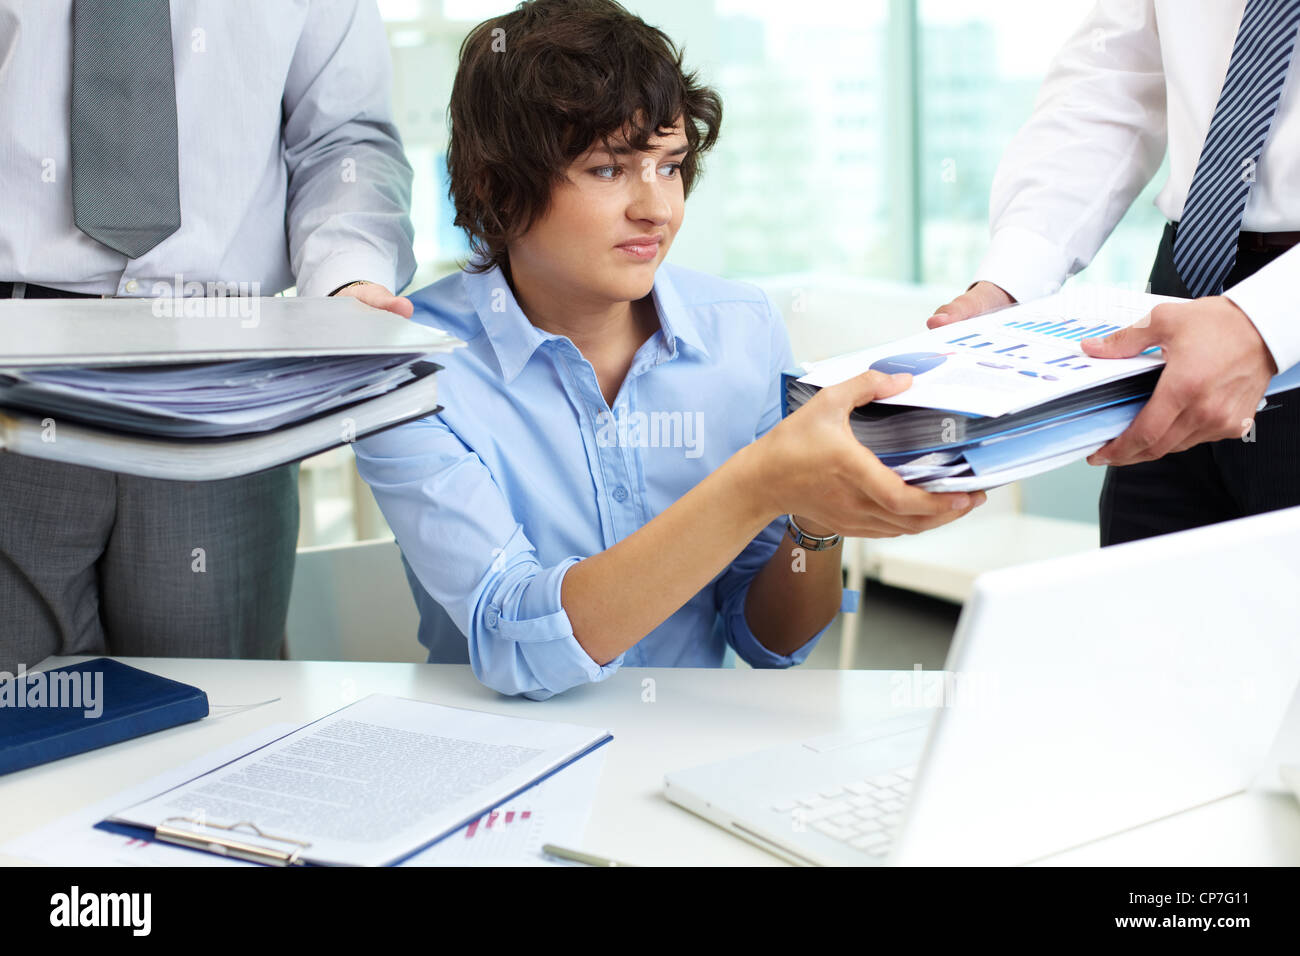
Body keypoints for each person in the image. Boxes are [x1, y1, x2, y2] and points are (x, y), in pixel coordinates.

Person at [354, 0, 985, 701]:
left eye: (670, 165)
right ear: (495, 186)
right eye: (607, 170)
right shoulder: (407, 370)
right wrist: (757, 486)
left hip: (688, 753)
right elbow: (515, 643)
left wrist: (813, 524)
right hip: (506, 764)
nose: (657, 209)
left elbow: (772, 643)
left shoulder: (742, 330)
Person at [0, 0, 415, 669]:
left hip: (226, 379)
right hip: (11, 364)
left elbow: (343, 137)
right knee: (16, 737)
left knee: (220, 725)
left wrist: (347, 278)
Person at [928, 0, 1300, 546]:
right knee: (1143, 609)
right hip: (1184, 297)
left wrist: (1268, 318)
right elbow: (1115, 79)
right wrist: (1012, 278)